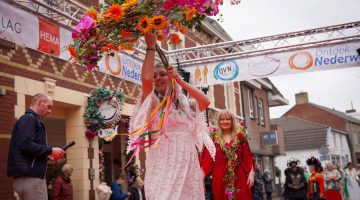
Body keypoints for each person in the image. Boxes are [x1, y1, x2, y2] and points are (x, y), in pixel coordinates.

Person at [127, 31, 215, 200]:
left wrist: (181, 82)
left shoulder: (187, 106)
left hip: (187, 164)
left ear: (172, 77)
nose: (157, 79)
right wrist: (151, 47)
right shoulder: (153, 104)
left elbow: (205, 102)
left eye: (162, 74)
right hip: (163, 164)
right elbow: (146, 81)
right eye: (155, 76)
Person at [7, 93, 65, 199]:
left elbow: (26, 146)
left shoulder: (28, 119)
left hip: (28, 178)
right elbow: (25, 144)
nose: (50, 111)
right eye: (49, 107)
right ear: (38, 102)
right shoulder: (30, 119)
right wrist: (50, 150)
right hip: (31, 178)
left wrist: (47, 155)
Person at [201, 110, 255, 200]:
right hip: (219, 179)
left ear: (232, 121)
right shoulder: (213, 138)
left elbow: (248, 157)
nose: (225, 121)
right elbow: (207, 160)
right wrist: (200, 179)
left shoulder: (240, 137)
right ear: (218, 121)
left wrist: (251, 174)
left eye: (228, 119)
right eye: (222, 119)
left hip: (239, 178)